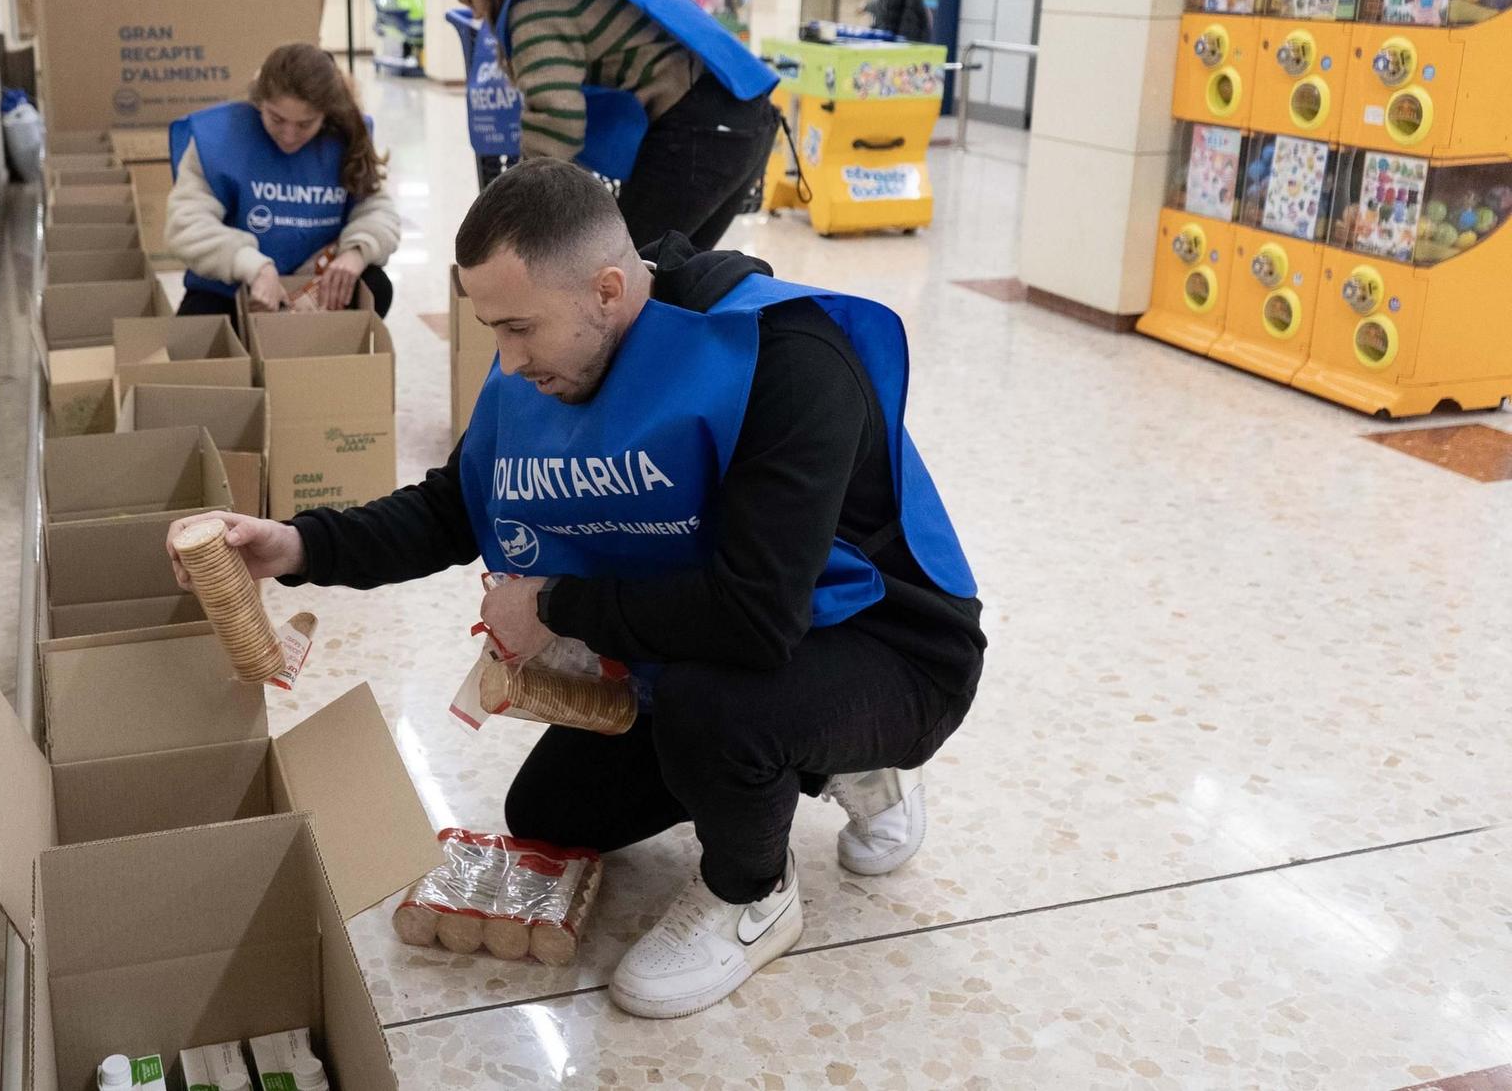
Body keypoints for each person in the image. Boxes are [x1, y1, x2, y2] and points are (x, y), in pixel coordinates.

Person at [166, 159, 987, 1020]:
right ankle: (807, 762)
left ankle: (755, 889)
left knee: (721, 712)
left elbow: (756, 615)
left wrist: (553, 605)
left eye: (519, 328)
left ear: (606, 289)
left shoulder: (783, 357)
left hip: (886, 645)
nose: (507, 361)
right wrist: (294, 543)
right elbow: (456, 506)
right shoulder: (550, 354)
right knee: (550, 811)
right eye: (491, 329)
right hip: (720, 631)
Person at [440, 0, 781, 252]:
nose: (477, 16)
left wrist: (515, 210)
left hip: (700, 126)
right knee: (672, 272)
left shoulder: (533, 3)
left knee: (624, 270)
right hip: (742, 112)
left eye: (471, 1)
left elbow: (555, 116)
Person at [164, 42, 400, 318]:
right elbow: (186, 224)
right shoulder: (220, 139)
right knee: (194, 338)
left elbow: (378, 211)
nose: (289, 135)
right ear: (259, 102)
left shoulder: (346, 137)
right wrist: (254, 267)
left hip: (314, 288)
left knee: (376, 286)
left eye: (305, 124)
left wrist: (357, 253)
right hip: (235, 286)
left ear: (326, 115)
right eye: (276, 119)